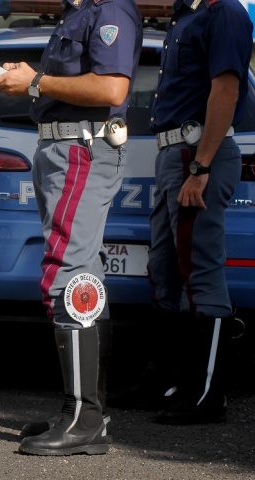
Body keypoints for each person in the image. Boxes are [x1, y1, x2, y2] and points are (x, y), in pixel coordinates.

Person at [0, 0, 142, 456]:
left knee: (68, 274)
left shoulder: (110, 9)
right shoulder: (77, 12)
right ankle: (84, 414)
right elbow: (71, 84)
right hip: (61, 148)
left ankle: (84, 419)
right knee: (81, 272)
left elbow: (112, 88)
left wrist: (33, 80)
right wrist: (31, 79)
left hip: (81, 148)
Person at [145, 0, 252, 424]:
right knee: (164, 270)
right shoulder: (186, 13)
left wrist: (201, 166)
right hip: (173, 152)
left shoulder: (224, 12)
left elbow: (226, 89)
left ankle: (208, 394)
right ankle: (165, 384)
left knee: (201, 272)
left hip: (197, 153)